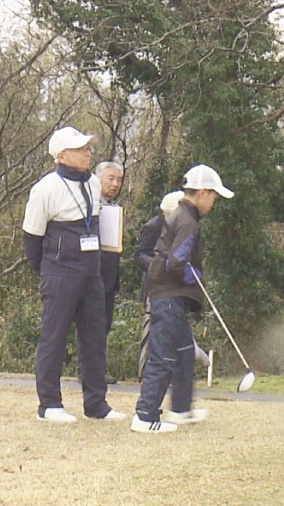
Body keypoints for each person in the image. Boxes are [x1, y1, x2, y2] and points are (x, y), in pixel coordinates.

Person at [22, 126, 125, 423]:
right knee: (53, 337)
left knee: (94, 337)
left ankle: (96, 404)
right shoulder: (45, 188)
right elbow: (32, 237)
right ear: (62, 155)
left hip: (91, 271)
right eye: (81, 149)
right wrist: (46, 272)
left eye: (88, 148)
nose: (88, 153)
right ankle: (49, 405)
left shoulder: (93, 182)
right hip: (59, 271)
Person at [131, 165, 233, 433]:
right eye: (213, 196)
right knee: (163, 356)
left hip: (170, 294)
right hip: (168, 295)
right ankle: (145, 415)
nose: (213, 201)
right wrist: (194, 273)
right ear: (201, 193)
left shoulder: (182, 215)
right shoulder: (188, 221)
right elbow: (176, 263)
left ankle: (180, 409)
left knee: (184, 352)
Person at [95, 161, 124, 384]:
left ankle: (97, 368)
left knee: (104, 324)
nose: (115, 184)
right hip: (91, 274)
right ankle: (89, 369)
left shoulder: (114, 208)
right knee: (90, 323)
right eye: (110, 178)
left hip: (109, 276)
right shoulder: (91, 206)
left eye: (118, 179)